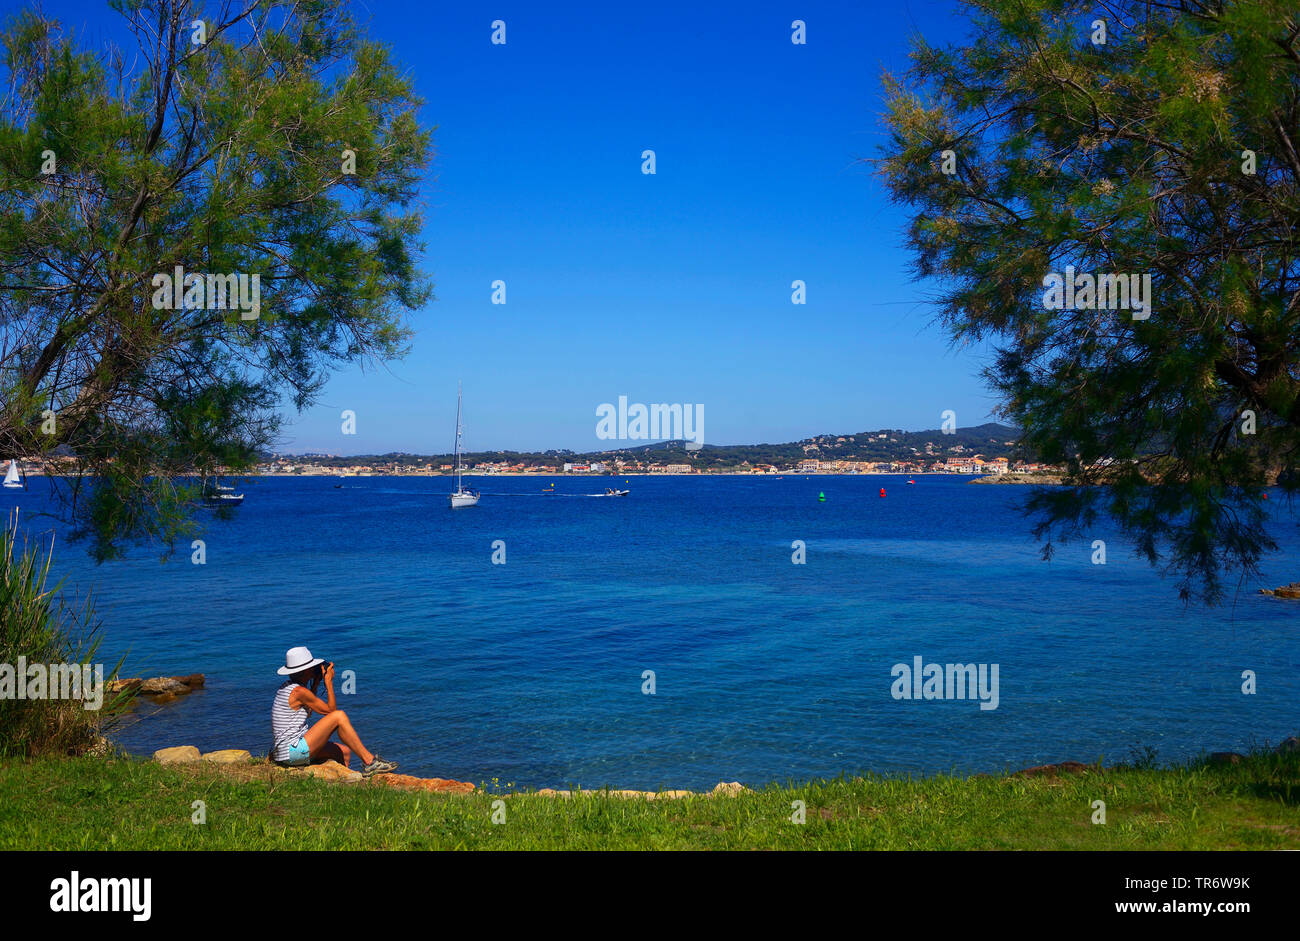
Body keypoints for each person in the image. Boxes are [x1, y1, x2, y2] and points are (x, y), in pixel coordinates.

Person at [270, 645, 397, 777]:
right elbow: (331, 711)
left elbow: (309, 711)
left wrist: (315, 683)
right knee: (338, 716)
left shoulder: (288, 688)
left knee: (344, 752)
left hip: (286, 751)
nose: (314, 670)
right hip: (292, 752)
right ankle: (370, 762)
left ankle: (346, 780)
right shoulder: (299, 692)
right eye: (312, 668)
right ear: (306, 670)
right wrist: (329, 682)